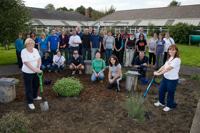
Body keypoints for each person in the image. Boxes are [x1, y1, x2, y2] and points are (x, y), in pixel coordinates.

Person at [154, 45, 181, 112]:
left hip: (172, 80)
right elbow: (164, 66)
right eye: (169, 49)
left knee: (170, 93)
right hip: (165, 78)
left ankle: (169, 105)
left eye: (173, 50)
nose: (171, 51)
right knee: (161, 90)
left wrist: (158, 74)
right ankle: (161, 102)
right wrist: (157, 71)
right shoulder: (170, 58)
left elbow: (168, 69)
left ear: (176, 51)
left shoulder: (177, 60)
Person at [21, 38, 42, 110]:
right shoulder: (23, 51)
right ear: (26, 45)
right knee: (29, 87)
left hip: (36, 71)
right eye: (29, 43)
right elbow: (26, 63)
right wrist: (35, 69)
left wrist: (38, 67)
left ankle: (35, 96)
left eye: (32, 43)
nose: (31, 45)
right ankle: (30, 102)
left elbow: (39, 59)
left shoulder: (35, 50)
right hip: (27, 72)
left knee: (36, 84)